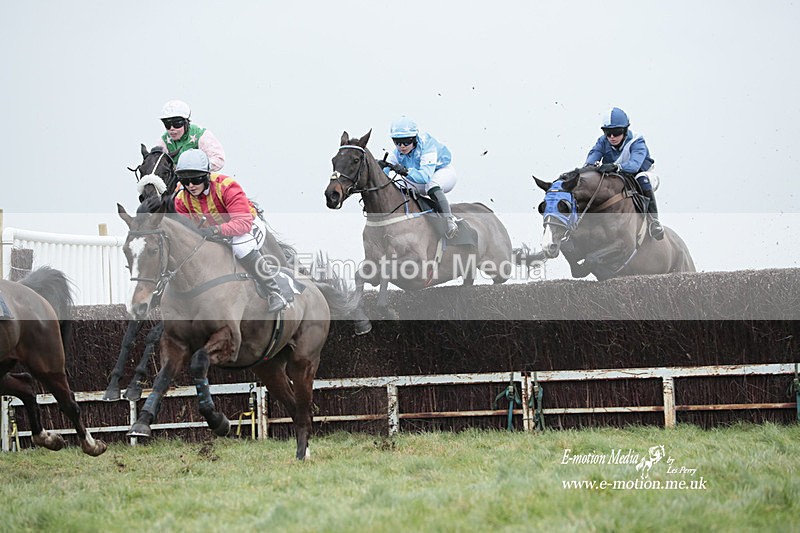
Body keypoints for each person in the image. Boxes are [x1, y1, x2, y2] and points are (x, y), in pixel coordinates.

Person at [172, 149, 290, 312]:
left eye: (196, 179)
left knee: (240, 247)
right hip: (214, 231)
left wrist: (215, 231)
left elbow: (242, 223)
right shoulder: (181, 200)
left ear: (206, 175)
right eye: (185, 181)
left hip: (247, 224)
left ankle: (275, 292)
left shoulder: (226, 186)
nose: (191, 185)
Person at [585, 107, 664, 240]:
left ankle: (654, 222)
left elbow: (634, 166)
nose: (611, 137)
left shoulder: (637, 141)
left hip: (641, 174)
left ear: (625, 130)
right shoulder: (602, 141)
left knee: (642, 178)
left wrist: (615, 167)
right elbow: (591, 160)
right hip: (618, 176)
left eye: (616, 132)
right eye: (608, 132)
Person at [382, 116, 459, 239]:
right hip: (419, 177)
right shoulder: (397, 153)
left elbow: (424, 177)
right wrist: (379, 166)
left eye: (406, 141)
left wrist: (405, 171)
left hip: (441, 173)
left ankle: (449, 221)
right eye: (397, 142)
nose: (402, 146)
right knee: (396, 182)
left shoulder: (427, 146)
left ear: (414, 139)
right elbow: (382, 176)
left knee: (431, 184)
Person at [157, 99, 226, 171]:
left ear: (186, 123)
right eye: (167, 124)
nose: (172, 129)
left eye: (176, 124)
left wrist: (197, 168)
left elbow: (219, 159)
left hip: (199, 179)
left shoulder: (201, 135)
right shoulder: (164, 140)